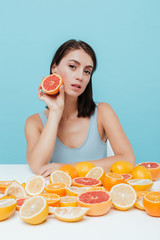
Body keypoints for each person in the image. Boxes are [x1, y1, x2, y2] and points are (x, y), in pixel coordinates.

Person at [25, 39, 136, 178]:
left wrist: (68, 169)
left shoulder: (103, 112)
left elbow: (128, 160)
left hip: (96, 194)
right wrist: (55, 112)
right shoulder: (34, 123)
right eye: (72, 66)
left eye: (87, 71)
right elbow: (37, 166)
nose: (80, 77)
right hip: (59, 196)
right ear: (54, 68)